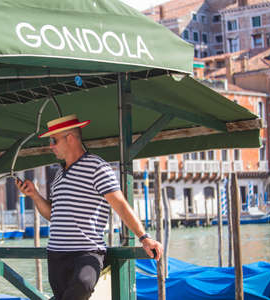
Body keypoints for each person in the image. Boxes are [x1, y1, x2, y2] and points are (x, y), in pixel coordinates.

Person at [16, 114, 163, 300]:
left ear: (70, 138)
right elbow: (54, 215)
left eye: (54, 140)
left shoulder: (97, 167)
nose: (50, 146)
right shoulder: (59, 175)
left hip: (86, 252)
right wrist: (35, 196)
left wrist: (144, 238)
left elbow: (120, 204)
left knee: (83, 285)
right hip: (56, 255)